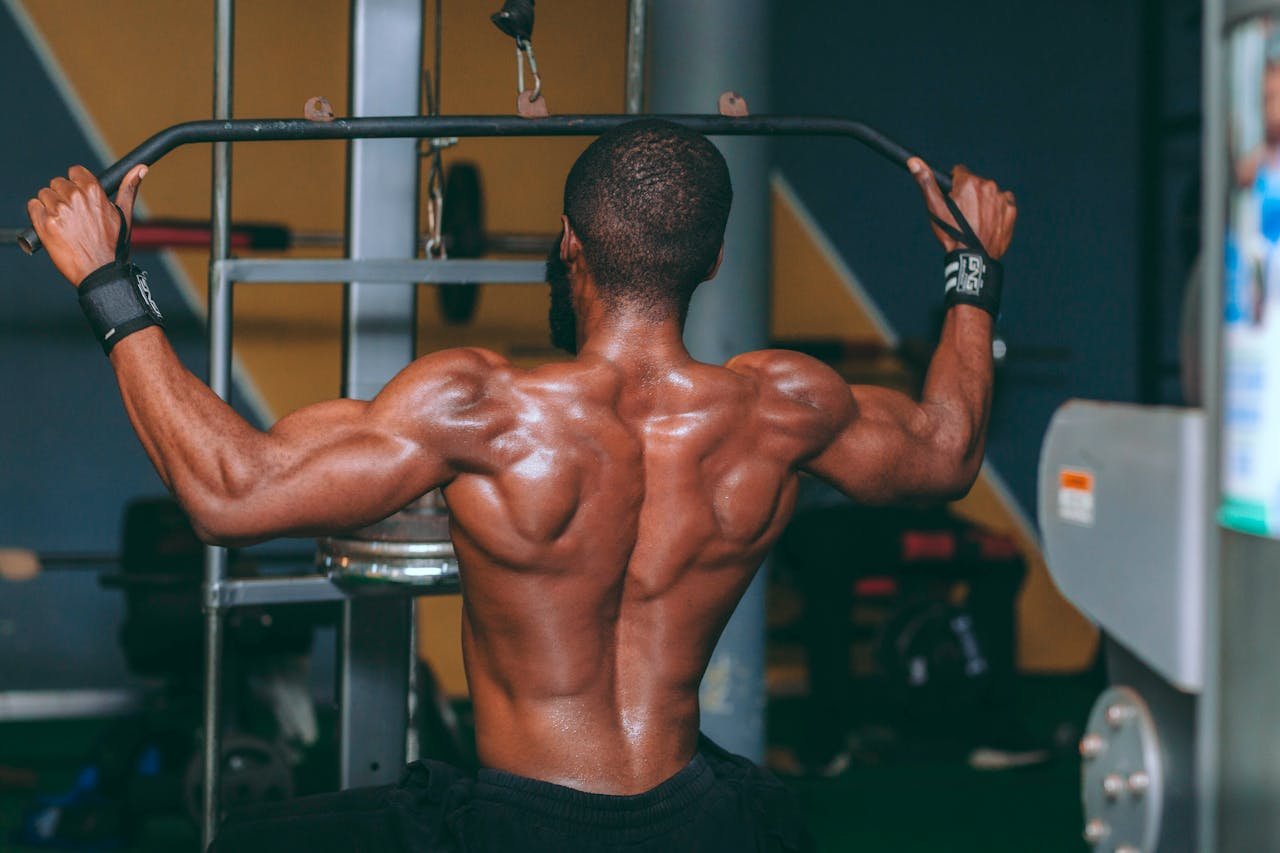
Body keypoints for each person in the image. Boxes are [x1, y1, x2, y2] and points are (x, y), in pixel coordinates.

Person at [27, 119, 1016, 852]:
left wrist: (106, 280)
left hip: (520, 823)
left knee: (243, 844)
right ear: (712, 258)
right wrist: (971, 271)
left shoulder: (480, 404)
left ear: (568, 242)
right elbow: (945, 449)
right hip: (696, 817)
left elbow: (230, 493)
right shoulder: (784, 403)